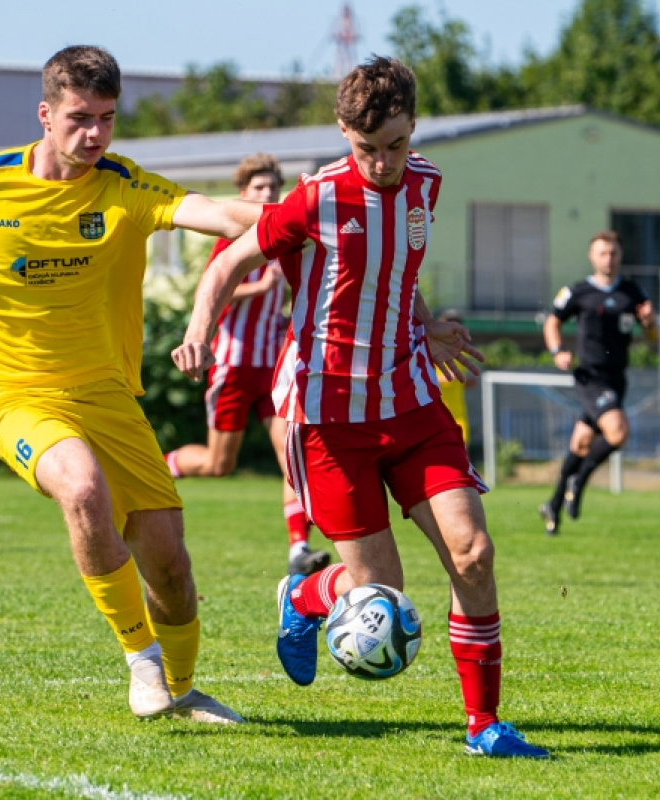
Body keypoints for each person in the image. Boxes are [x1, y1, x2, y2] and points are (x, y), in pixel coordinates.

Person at [0, 45, 265, 725]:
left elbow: (222, 215)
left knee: (169, 562)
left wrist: (319, 210)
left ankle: (184, 689)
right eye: (81, 118)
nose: (95, 135)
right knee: (81, 488)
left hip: (108, 398)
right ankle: (141, 662)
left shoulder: (125, 185)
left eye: (107, 119)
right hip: (16, 396)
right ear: (45, 115)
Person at [172, 56, 549, 758]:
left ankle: (485, 725)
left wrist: (428, 323)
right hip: (327, 416)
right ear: (345, 132)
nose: (382, 162)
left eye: (396, 146)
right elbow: (227, 264)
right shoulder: (315, 198)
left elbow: (394, 273)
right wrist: (199, 332)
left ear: (414, 129)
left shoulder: (427, 185)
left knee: (473, 551)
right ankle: (305, 597)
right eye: (366, 147)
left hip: (409, 400)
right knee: (381, 587)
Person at [164, 153, 331, 577]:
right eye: (259, 189)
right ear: (243, 195)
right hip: (233, 365)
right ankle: (154, 469)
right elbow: (215, 285)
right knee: (219, 465)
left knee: (292, 453)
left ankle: (298, 548)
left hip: (273, 368)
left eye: (273, 189)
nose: (267, 195)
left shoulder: (287, 236)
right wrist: (258, 288)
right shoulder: (235, 238)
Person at [539, 230, 657, 536]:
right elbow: (553, 321)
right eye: (603, 253)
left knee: (580, 443)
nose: (609, 258)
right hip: (590, 377)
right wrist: (557, 351)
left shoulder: (633, 293)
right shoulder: (578, 291)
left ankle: (552, 503)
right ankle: (579, 481)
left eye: (614, 253)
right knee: (618, 433)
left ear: (620, 256)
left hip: (617, 379)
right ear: (593, 257)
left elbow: (653, 337)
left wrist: (649, 324)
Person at [435, 309, 477, 448]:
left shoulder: (461, 354)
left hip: (459, 415)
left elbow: (465, 382)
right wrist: (443, 379)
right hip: (437, 417)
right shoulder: (432, 350)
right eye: (449, 323)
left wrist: (467, 381)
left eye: (457, 323)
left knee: (462, 454)